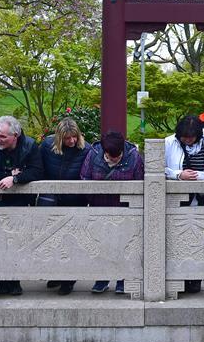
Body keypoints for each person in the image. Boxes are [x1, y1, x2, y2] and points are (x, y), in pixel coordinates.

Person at [0, 115, 44, 296]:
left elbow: (37, 171)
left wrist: (15, 179)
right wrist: (7, 174)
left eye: (3, 136)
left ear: (15, 135)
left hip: (21, 202)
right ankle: (2, 281)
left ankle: (13, 281)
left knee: (17, 242)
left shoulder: (29, 146)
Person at [165, 115, 204, 294]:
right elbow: (158, 168)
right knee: (179, 240)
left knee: (200, 240)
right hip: (178, 201)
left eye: (191, 138)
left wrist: (199, 176)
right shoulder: (169, 143)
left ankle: (195, 278)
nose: (188, 141)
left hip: (203, 200)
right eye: (184, 138)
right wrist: (178, 175)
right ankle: (178, 278)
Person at [80, 131, 144, 294]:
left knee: (124, 245)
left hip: (125, 210)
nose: (114, 158)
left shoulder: (133, 156)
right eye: (110, 155)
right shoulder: (94, 154)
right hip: (100, 208)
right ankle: (102, 278)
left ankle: (123, 279)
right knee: (102, 245)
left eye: (117, 155)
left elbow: (140, 181)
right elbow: (84, 178)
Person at [39, 118, 92, 295]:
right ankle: (56, 273)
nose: (71, 141)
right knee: (52, 240)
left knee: (71, 242)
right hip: (51, 199)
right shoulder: (47, 146)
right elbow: (39, 169)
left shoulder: (86, 149)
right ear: (59, 138)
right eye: (67, 138)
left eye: (74, 137)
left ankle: (68, 280)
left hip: (75, 200)